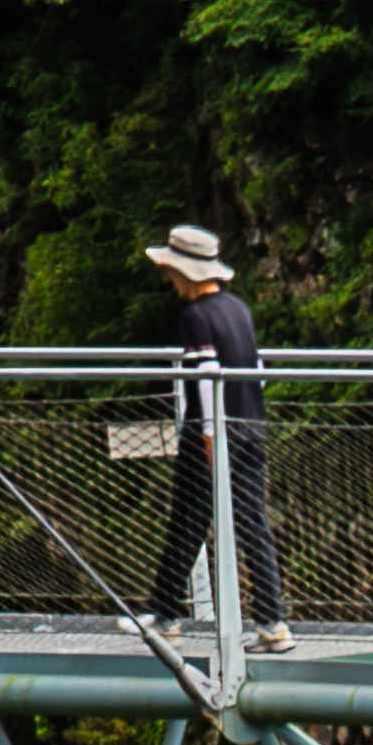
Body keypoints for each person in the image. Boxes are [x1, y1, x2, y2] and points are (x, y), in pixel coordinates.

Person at [149, 219, 268, 624]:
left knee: (186, 520)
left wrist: (210, 440)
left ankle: (165, 615)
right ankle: (274, 621)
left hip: (212, 434)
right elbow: (258, 370)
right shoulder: (239, 309)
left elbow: (206, 379)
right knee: (253, 524)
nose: (168, 278)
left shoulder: (196, 316)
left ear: (183, 271)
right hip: (251, 426)